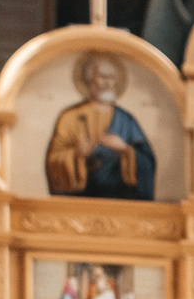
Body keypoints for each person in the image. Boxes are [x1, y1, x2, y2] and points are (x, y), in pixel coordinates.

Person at [44, 51, 157, 199]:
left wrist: (124, 149)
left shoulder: (126, 119)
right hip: (81, 198)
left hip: (120, 198)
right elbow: (53, 160)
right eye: (103, 77)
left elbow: (147, 161)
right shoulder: (69, 117)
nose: (108, 83)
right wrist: (76, 153)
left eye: (112, 78)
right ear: (89, 80)